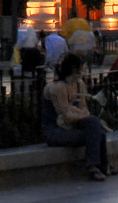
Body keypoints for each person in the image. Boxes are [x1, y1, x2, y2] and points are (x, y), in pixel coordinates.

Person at [42, 53, 114, 181]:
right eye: (83, 67)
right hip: (55, 130)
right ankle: (97, 166)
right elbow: (66, 117)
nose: (86, 70)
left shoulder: (80, 84)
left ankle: (97, 166)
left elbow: (83, 109)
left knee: (95, 126)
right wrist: (83, 114)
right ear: (75, 69)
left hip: (71, 126)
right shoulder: (58, 87)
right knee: (97, 132)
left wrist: (82, 114)